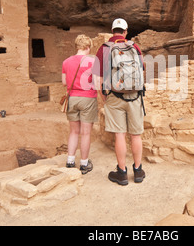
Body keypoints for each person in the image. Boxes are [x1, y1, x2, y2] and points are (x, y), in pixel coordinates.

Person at [92, 18, 146, 185]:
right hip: (135, 96)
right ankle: (138, 171)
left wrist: (104, 95)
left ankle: (122, 173)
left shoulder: (104, 48)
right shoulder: (134, 47)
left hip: (114, 96)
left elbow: (97, 77)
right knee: (136, 135)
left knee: (119, 135)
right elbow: (142, 68)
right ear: (125, 32)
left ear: (112, 30)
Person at [62, 34, 98, 174]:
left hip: (72, 98)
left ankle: (70, 161)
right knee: (86, 133)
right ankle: (84, 163)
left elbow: (64, 82)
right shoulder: (92, 61)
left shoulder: (66, 62)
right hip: (87, 98)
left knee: (74, 131)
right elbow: (96, 81)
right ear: (87, 47)